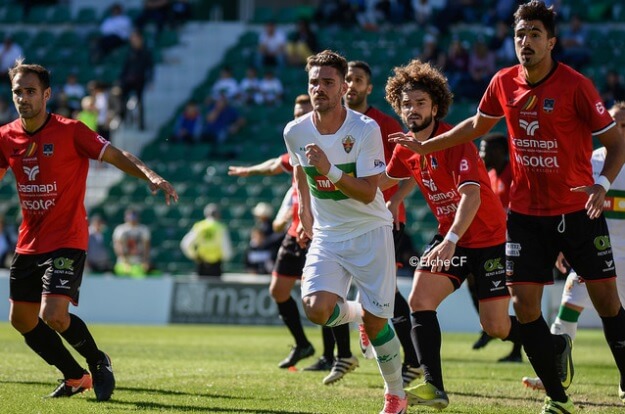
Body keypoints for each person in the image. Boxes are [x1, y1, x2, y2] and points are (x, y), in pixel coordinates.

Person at [389, 2, 625, 412]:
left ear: (551, 41)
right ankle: (557, 398)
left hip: (577, 212)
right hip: (526, 218)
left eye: (534, 34)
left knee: (607, 303)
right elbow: (477, 125)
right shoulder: (503, 82)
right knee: (524, 309)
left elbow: (616, 144)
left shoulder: (576, 86)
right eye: (519, 34)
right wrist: (427, 146)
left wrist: (602, 184)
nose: (525, 42)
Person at [0, 59, 177, 401]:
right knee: (21, 320)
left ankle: (98, 362)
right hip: (29, 242)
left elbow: (116, 154)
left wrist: (150, 175)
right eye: (18, 91)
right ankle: (74, 376)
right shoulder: (5, 137)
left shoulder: (71, 130)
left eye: (31, 91)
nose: (23, 98)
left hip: (67, 238)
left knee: (53, 314)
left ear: (46, 94)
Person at [382, 58, 520, 410]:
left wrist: (451, 240)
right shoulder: (404, 146)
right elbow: (389, 180)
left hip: (488, 238)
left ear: (436, 106)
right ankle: (435, 387)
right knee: (419, 300)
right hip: (450, 236)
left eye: (420, 103)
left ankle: (550, 343)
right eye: (406, 104)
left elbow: (471, 195)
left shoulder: (455, 139)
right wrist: (337, 176)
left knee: (496, 328)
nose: (412, 110)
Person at [283, 50, 406, 414]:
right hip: (328, 233)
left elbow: (370, 192)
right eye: (314, 82)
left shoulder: (365, 130)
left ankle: (396, 394)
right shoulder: (295, 130)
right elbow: (299, 170)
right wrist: (304, 208)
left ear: (343, 87)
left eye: (328, 82)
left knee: (380, 323)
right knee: (316, 309)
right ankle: (358, 315)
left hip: (370, 230)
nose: (319, 89)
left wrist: (330, 170)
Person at [521, 102, 625, 405]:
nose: (618, 130)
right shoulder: (589, 161)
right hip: (594, 248)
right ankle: (553, 370)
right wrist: (560, 243)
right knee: (569, 304)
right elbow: (567, 205)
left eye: (624, 125)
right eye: (613, 124)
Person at [229, 94, 328, 370]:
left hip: (322, 233)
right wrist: (249, 171)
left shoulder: (330, 146)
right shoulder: (297, 149)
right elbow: (275, 164)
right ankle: (303, 344)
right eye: (296, 114)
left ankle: (335, 355)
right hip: (296, 232)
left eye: (304, 113)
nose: (299, 118)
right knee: (279, 290)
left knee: (324, 297)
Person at [343, 59, 422, 387]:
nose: (351, 85)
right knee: (372, 289)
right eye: (347, 79)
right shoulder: (335, 123)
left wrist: (396, 200)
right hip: (348, 222)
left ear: (369, 87)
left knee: (388, 292)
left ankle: (413, 360)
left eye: (358, 79)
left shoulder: (385, 123)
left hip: (383, 220)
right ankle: (358, 333)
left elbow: (414, 166)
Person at [471, 132, 522, 363]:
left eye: (486, 150)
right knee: (475, 279)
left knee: (517, 294)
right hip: (494, 242)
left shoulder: (516, 175)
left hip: (515, 244)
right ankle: (491, 325)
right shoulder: (490, 175)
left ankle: (515, 348)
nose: (481, 155)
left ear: (501, 152)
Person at [180, 203, 233, 277]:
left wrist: (193, 255)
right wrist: (225, 258)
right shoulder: (220, 228)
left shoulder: (200, 226)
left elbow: (186, 244)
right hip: (216, 264)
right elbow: (226, 248)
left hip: (202, 262)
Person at [118, 31, 153, 131]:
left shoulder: (146, 52)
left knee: (140, 101)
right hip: (128, 80)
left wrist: (150, 80)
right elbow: (125, 67)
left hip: (140, 80)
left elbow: (150, 67)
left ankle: (141, 123)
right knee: (121, 98)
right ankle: (124, 119)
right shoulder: (129, 52)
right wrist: (121, 80)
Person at [112, 208, 152, 278]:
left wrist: (145, 261)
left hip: (139, 262)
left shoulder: (143, 229)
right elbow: (118, 246)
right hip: (123, 262)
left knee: (140, 276)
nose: (132, 220)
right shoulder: (120, 229)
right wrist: (124, 261)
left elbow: (146, 247)